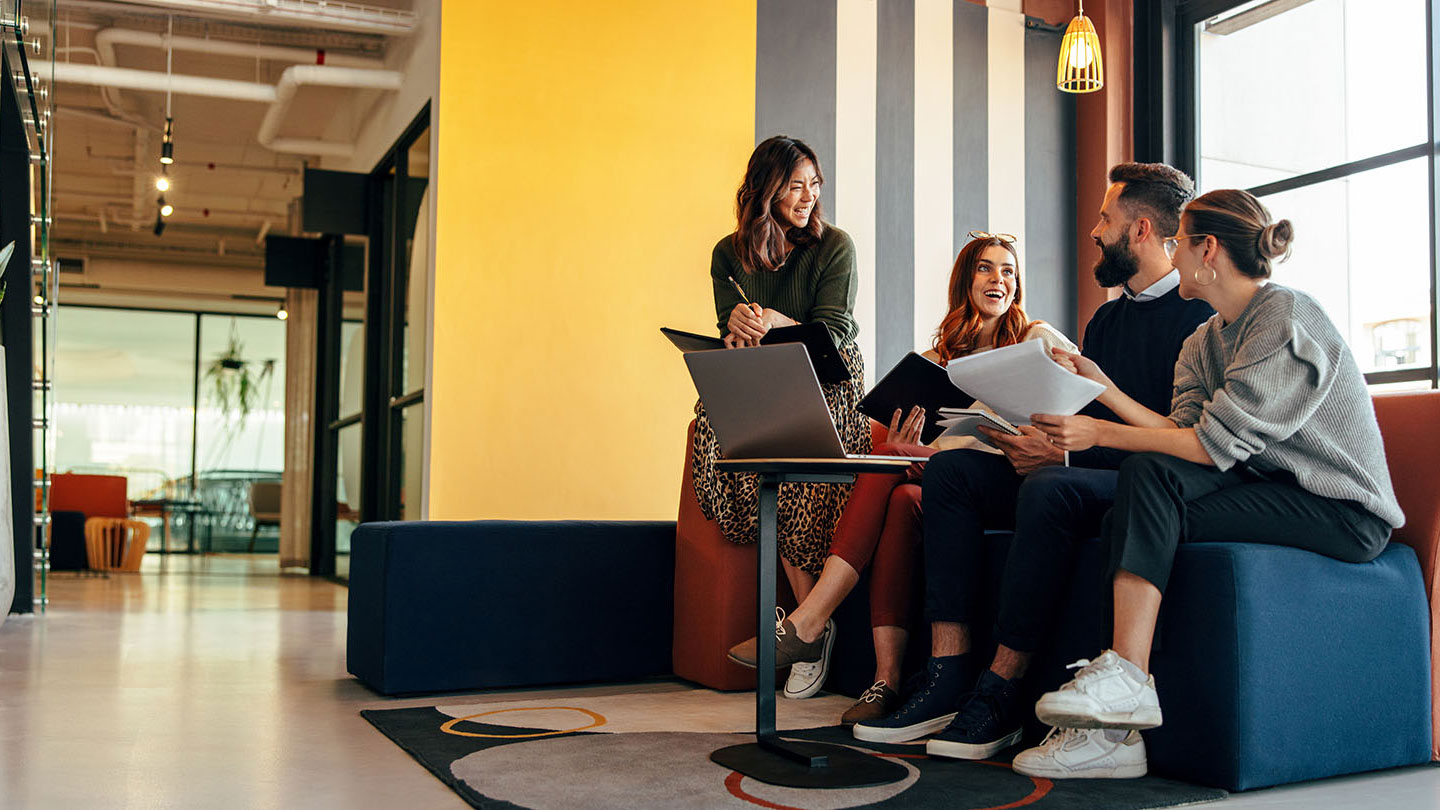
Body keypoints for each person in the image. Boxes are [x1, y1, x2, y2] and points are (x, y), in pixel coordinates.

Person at [1012, 188, 1401, 779]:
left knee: (1145, 479)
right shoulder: (1204, 339)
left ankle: (1125, 684)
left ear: (1207, 250)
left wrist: (1098, 432)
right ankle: (1116, 734)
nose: (1170, 253)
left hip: (1340, 509)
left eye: (1178, 242)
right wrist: (1103, 390)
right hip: (1271, 490)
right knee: (1132, 506)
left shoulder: (1285, 317)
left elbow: (1207, 447)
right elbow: (1182, 431)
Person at [853, 163, 1215, 761]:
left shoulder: (1197, 319)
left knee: (1049, 489)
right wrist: (1034, 440)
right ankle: (946, 674)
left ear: (1142, 229)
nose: (1094, 231)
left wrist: (1063, 454)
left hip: (1146, 480)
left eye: (1105, 218)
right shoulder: (1106, 319)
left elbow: (1175, 440)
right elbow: (1073, 409)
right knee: (952, 475)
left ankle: (1001, 690)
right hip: (1080, 463)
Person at [725, 231, 1075, 723]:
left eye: (1008, 271)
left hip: (1013, 479)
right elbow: (932, 449)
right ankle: (884, 681)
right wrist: (911, 442)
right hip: (946, 484)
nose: (999, 279)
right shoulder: (935, 362)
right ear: (965, 282)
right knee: (899, 485)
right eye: (986, 268)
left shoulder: (1035, 338)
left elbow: (1077, 400)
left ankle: (810, 621)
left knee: (893, 457)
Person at [690, 136, 869, 702]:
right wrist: (737, 327)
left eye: (815, 184)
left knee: (790, 458)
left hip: (828, 375)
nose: (809, 196)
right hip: (763, 373)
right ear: (765, 189)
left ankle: (806, 627)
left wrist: (774, 319)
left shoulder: (835, 246)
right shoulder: (728, 252)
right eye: (796, 185)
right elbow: (728, 328)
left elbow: (835, 335)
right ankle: (811, 630)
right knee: (721, 428)